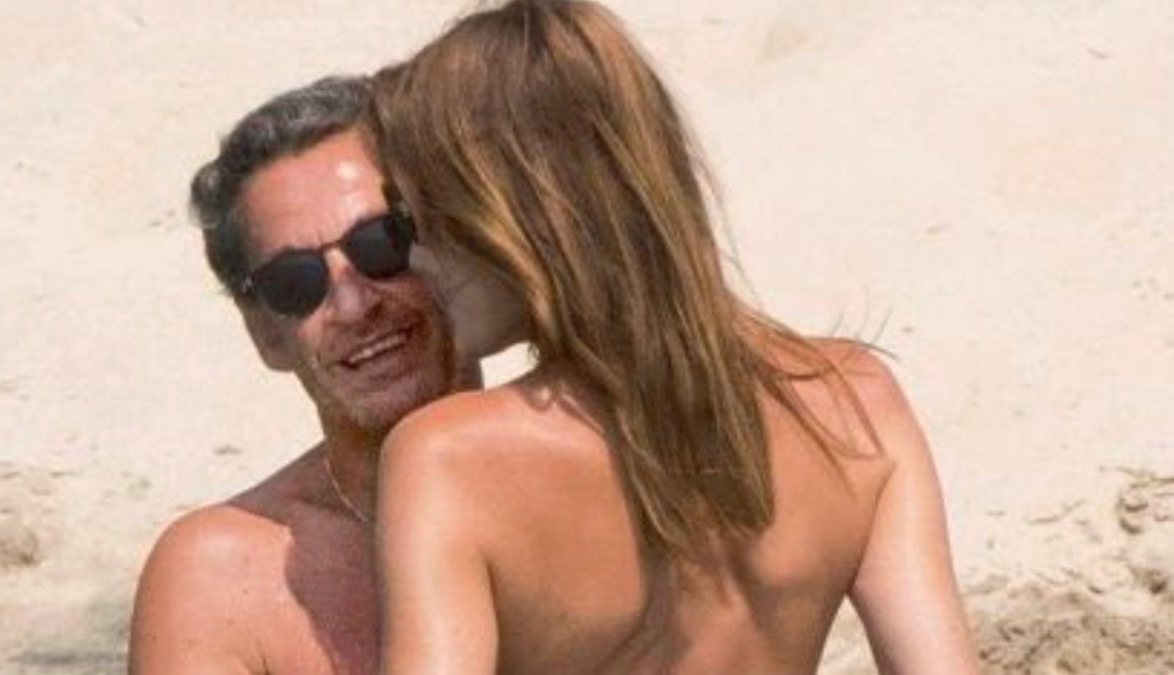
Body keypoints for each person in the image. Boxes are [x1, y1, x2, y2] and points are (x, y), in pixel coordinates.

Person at [364, 1, 980, 673]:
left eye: (411, 217)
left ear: (508, 211)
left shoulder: (449, 458)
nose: (411, 259)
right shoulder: (857, 403)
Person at [128, 75, 473, 675]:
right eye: (295, 282)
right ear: (265, 334)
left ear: (464, 245)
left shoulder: (615, 475)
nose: (354, 305)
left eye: (382, 242)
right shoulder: (221, 578)